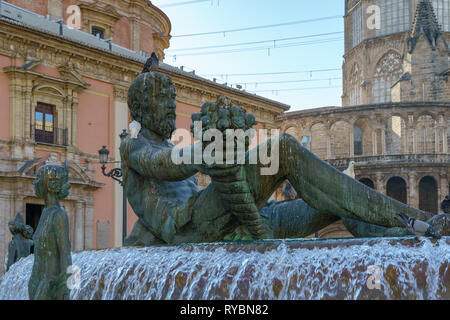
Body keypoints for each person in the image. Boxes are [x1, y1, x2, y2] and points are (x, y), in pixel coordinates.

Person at [120, 71, 433, 246]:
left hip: (234, 222)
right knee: (281, 148)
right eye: (164, 105)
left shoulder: (167, 143)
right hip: (194, 227)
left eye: (171, 104)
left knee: (332, 201)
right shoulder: (133, 145)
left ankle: (407, 233)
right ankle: (419, 219)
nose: (171, 111)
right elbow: (159, 164)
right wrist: (205, 151)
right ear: (142, 109)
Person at [28, 164, 72, 300]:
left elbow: (65, 253)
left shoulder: (59, 214)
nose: (35, 183)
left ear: (49, 185)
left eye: (38, 178)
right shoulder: (45, 212)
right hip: (37, 280)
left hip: (49, 284)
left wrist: (68, 287)